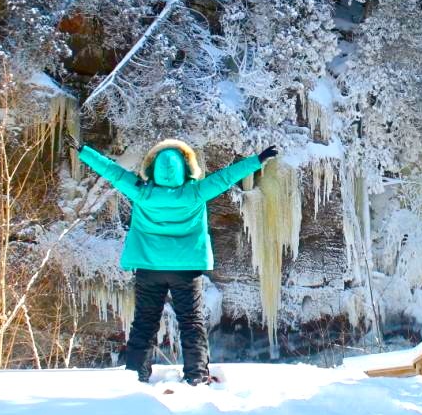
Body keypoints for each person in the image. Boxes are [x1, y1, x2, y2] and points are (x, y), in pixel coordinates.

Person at [68, 136, 278, 385]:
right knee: (191, 323)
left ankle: (136, 376)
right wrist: (257, 160)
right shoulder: (196, 192)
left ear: (152, 168)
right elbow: (226, 177)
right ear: (188, 168)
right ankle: (197, 376)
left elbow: (112, 171)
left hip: (149, 268)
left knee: (144, 323)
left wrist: (84, 151)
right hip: (186, 270)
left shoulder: (141, 192)